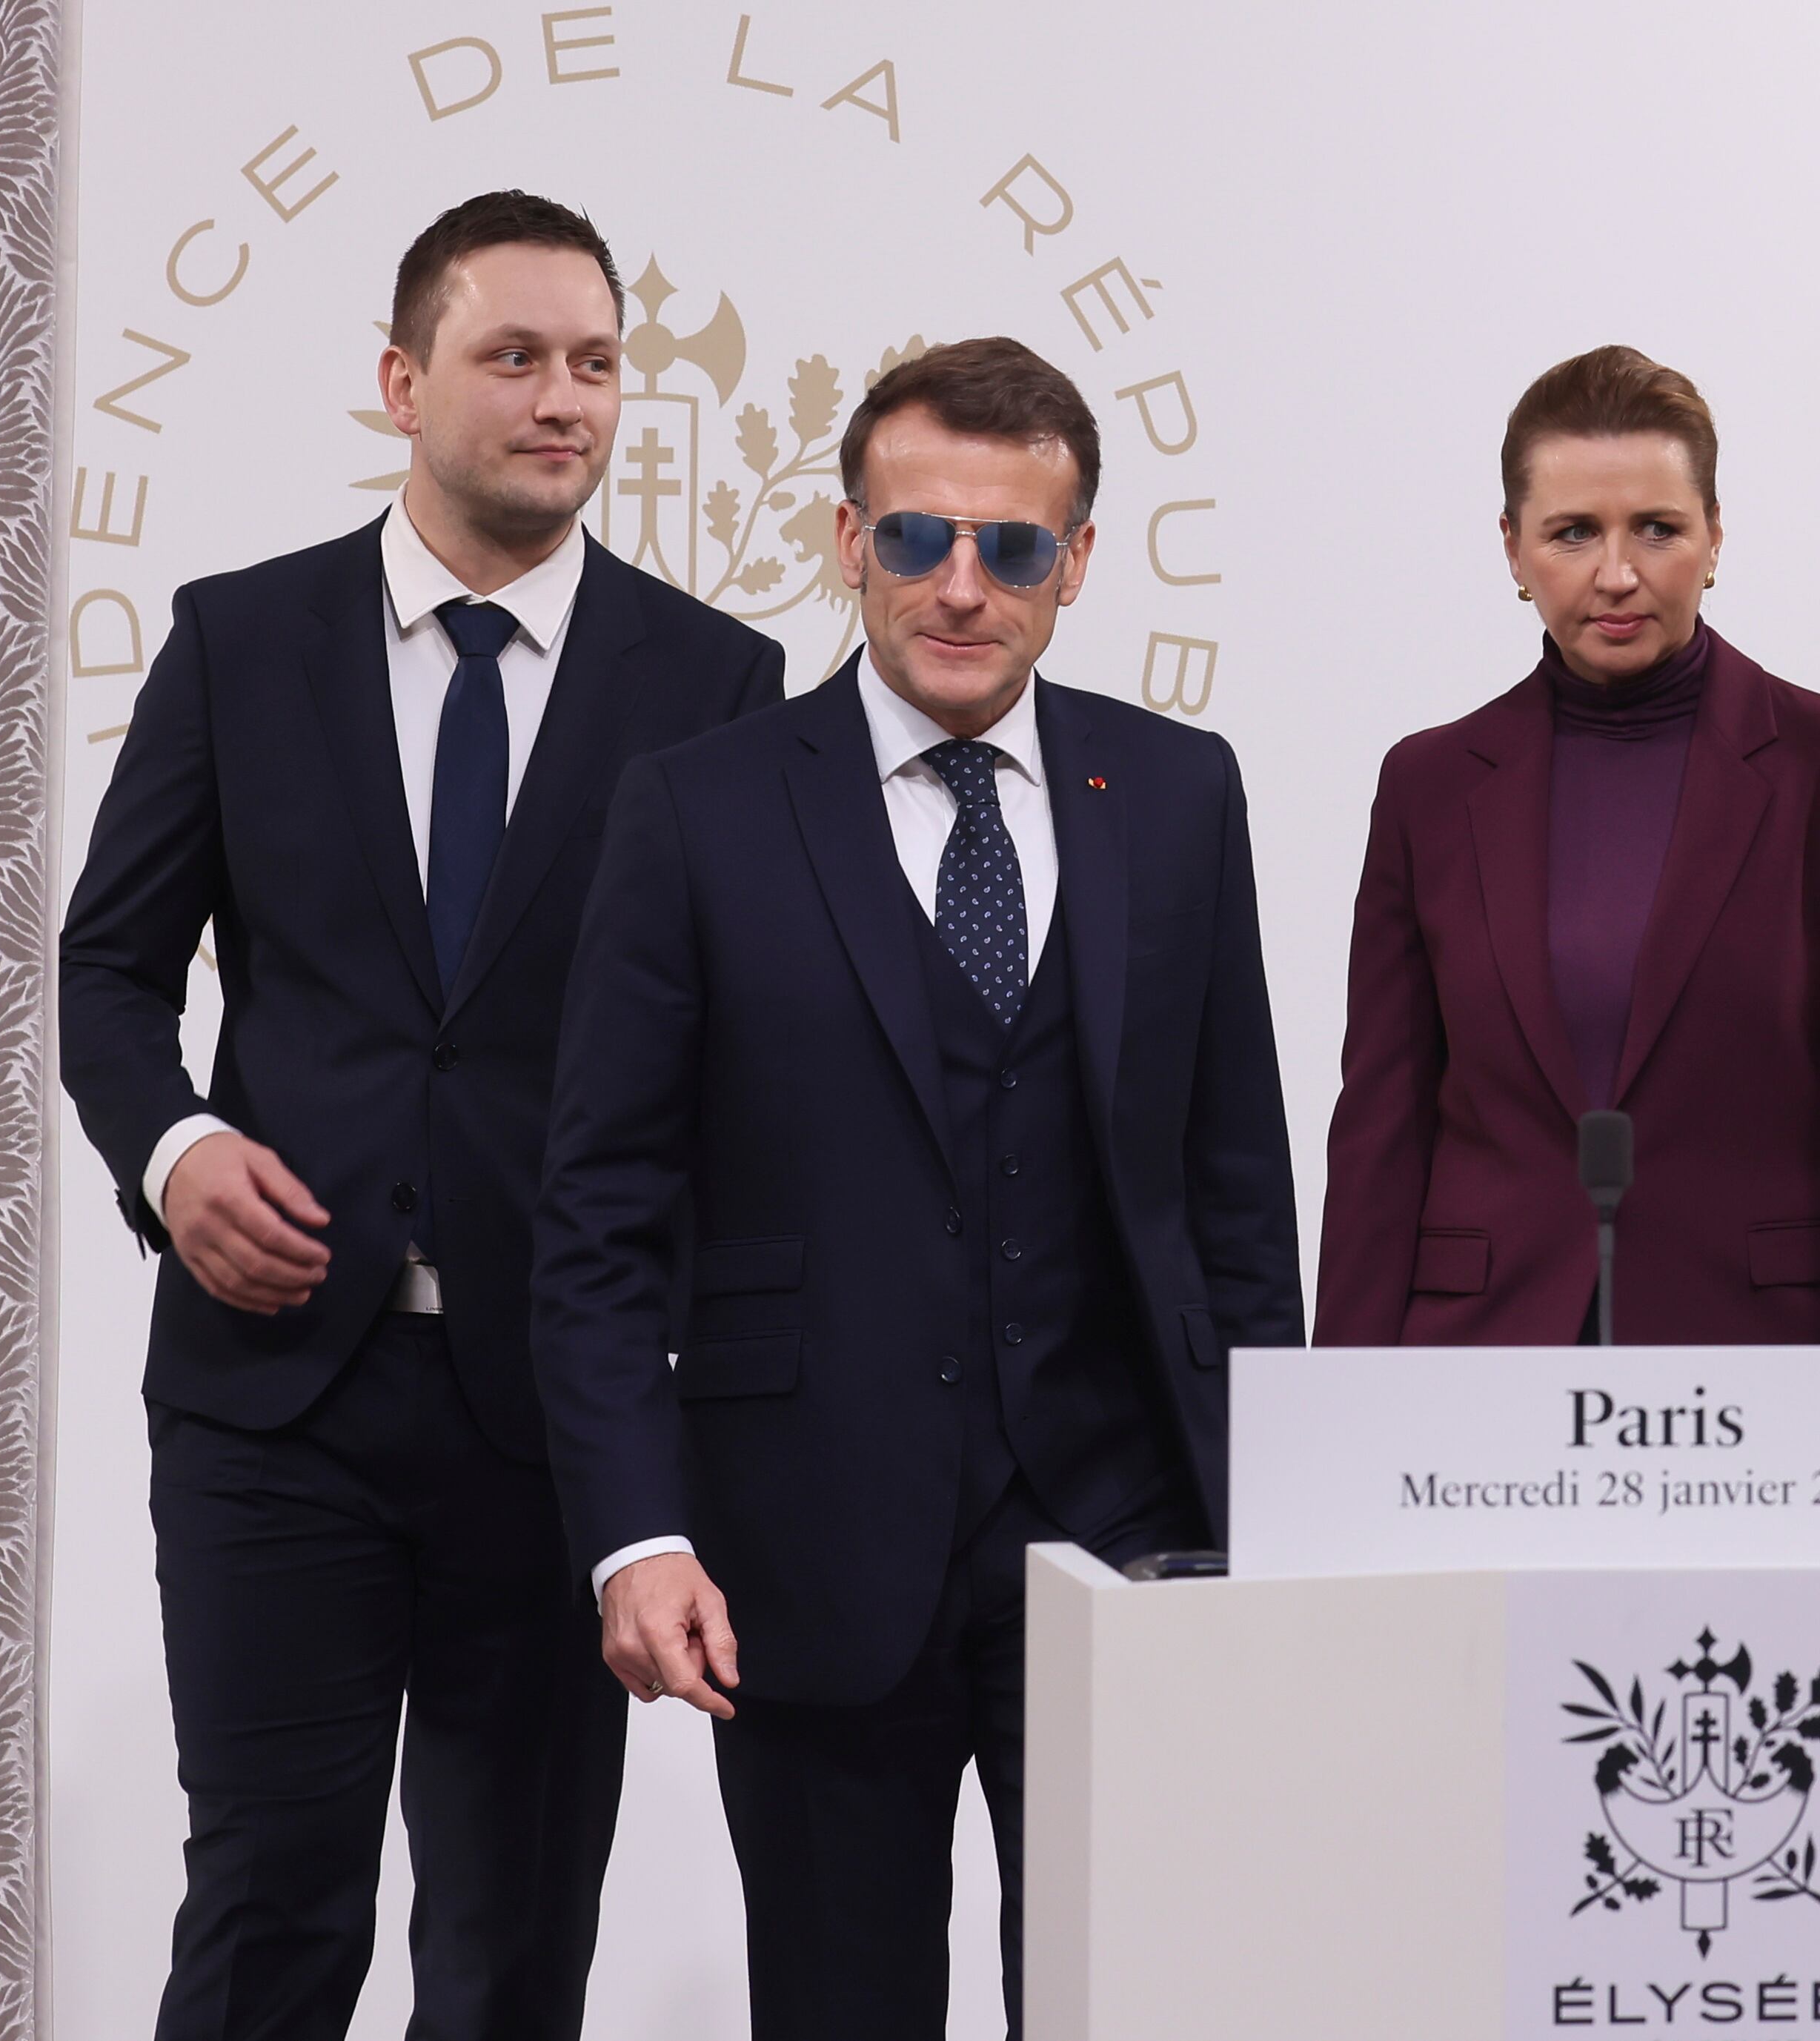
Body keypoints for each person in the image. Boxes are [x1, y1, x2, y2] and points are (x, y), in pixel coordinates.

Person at [59, 190, 783, 2041]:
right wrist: (176, 1150)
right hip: (269, 1400)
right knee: (270, 1913)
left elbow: (739, 1066)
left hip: (557, 1424)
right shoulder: (241, 640)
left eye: (598, 364)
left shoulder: (715, 688)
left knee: (512, 1948)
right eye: (515, 356)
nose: (567, 399)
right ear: (401, 381)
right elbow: (108, 975)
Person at [531, 336, 1302, 2039]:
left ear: (1077, 563)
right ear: (843, 537)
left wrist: (1274, 1506)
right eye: (914, 539)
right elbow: (597, 1214)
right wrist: (634, 1536)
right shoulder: (696, 809)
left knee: (1132, 2005)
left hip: (1125, 1542)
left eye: (1012, 548)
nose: (961, 587)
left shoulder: (1175, 795)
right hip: (805, 1547)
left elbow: (1235, 1189)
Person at [1317, 345, 1820, 1348]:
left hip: (1752, 1371)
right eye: (1572, 532)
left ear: (1713, 538)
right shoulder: (1427, 787)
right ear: (1513, 548)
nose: (1617, 573)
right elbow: (1379, 1135)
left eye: (1656, 528)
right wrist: (1341, 1418)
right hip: (1479, 1362)